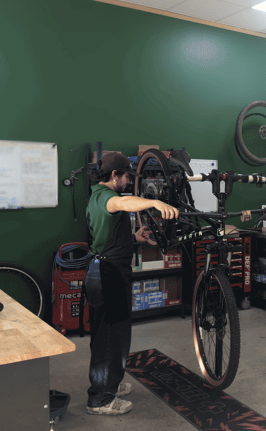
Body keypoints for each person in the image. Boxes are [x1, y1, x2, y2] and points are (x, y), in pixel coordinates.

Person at [85, 152, 178, 416]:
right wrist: (155, 202)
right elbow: (121, 203)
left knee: (111, 335)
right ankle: (100, 399)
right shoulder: (105, 197)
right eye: (127, 176)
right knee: (110, 337)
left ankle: (109, 384)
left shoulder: (96, 196)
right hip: (108, 274)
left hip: (105, 270)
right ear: (114, 175)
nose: (128, 181)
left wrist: (134, 237)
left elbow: (105, 234)